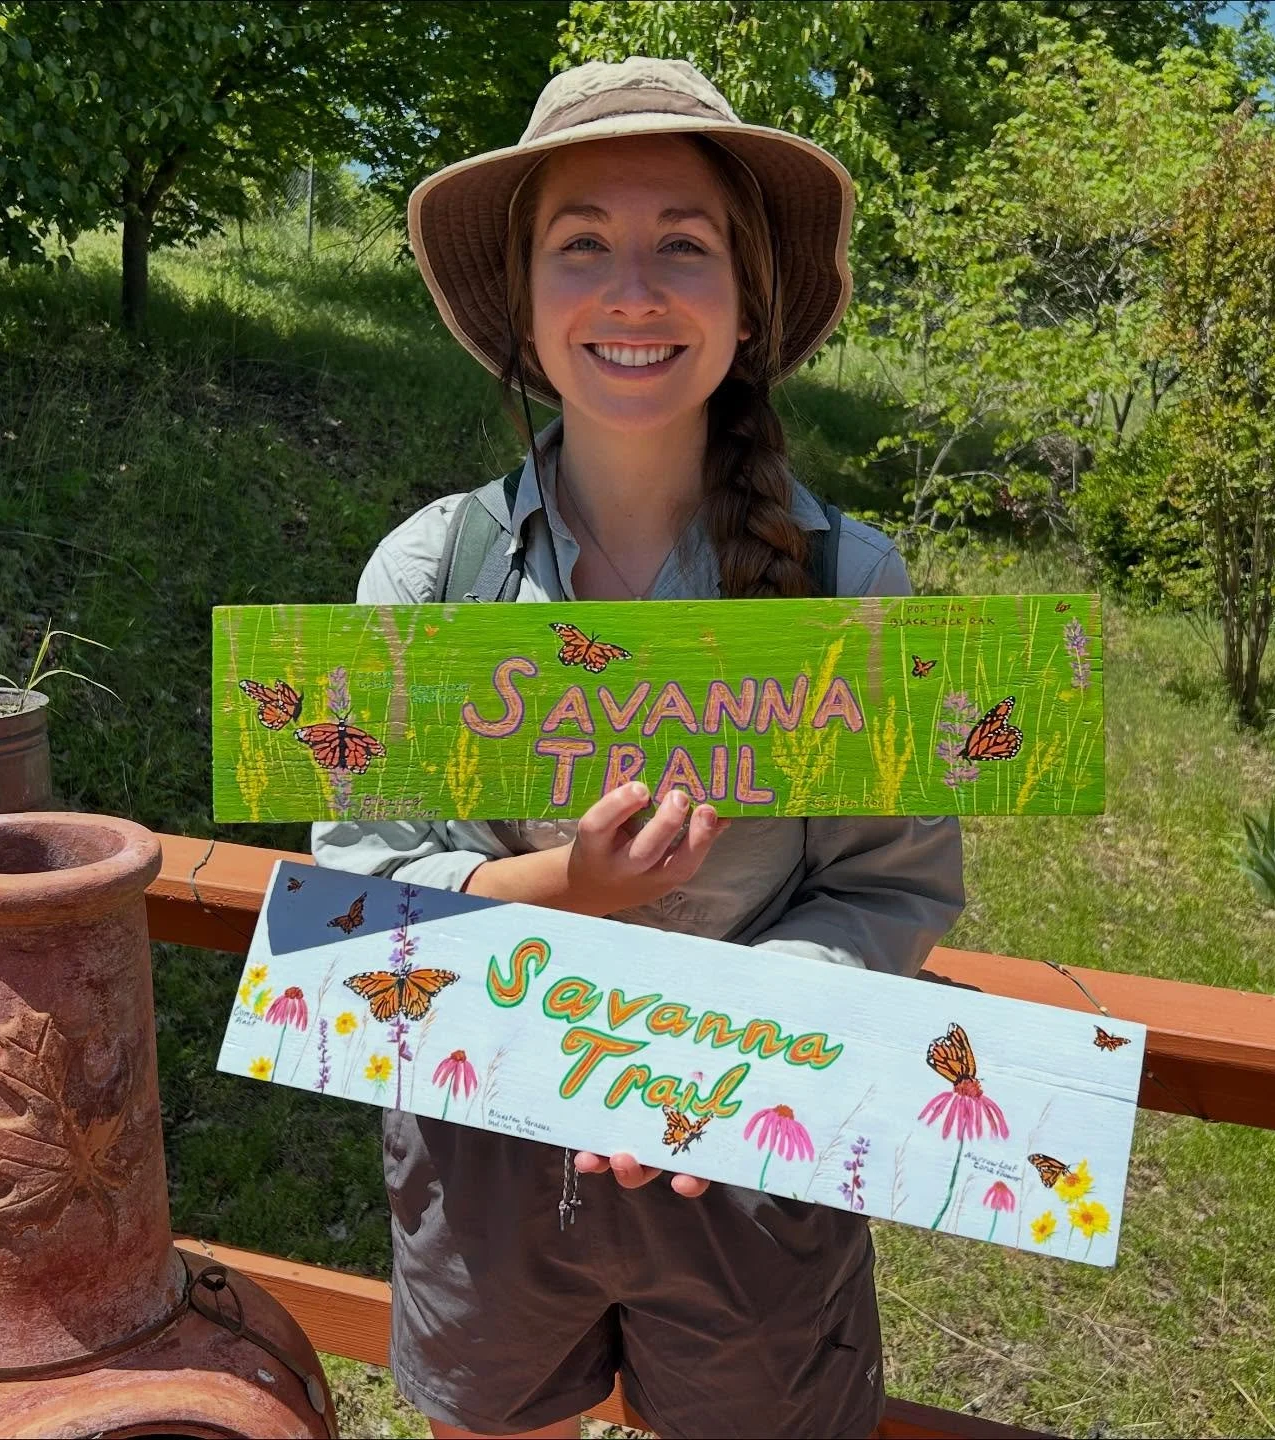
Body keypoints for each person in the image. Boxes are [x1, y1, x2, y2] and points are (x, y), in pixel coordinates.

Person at [313, 56, 964, 1440]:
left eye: (685, 245)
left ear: (746, 305)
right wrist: (566, 892)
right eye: (582, 247)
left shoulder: (855, 585)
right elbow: (361, 901)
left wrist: (716, 1065)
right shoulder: (423, 577)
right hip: (483, 1154)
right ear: (526, 308)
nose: (633, 291)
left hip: (754, 1166)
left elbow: (891, 888)